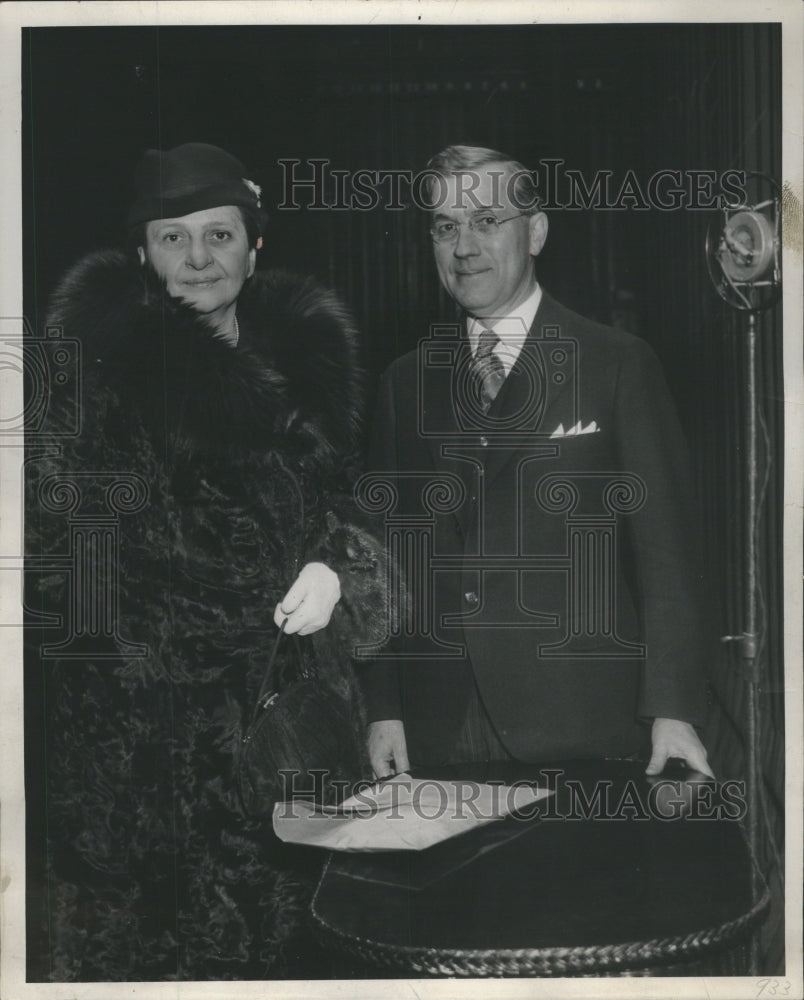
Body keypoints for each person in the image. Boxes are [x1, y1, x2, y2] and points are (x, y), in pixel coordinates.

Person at [26, 143, 390, 980]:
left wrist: (340, 566)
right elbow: (67, 561)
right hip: (154, 759)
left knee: (308, 951)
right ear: (142, 254)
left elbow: (358, 505)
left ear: (255, 247)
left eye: (219, 235)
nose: (198, 260)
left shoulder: (310, 371)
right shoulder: (91, 378)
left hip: (300, 739)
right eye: (173, 238)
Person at [362, 144, 713, 781]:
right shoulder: (402, 383)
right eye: (446, 227)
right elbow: (386, 559)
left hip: (583, 723)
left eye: (487, 221)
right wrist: (384, 707)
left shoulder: (616, 364)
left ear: (537, 231)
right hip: (437, 730)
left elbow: (668, 554)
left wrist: (672, 707)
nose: (464, 246)